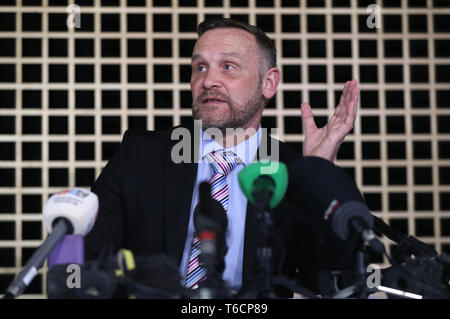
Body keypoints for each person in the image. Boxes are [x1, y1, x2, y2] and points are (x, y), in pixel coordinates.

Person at [84, 18, 360, 296]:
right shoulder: (139, 156)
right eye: (199, 67)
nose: (208, 81)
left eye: (228, 67)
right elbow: (88, 261)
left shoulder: (291, 173)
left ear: (269, 82)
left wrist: (318, 176)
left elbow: (330, 281)